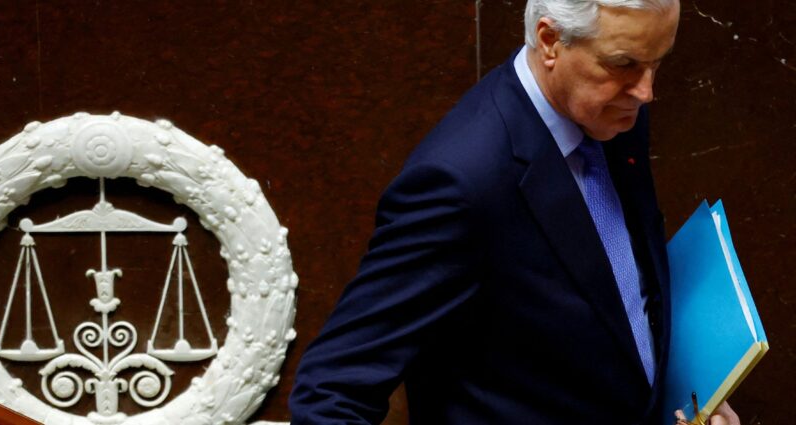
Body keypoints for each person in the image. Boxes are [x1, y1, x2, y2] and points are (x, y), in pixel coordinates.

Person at [290, 1, 740, 424]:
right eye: (624, 63)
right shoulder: (460, 182)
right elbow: (330, 391)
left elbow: (623, 299)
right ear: (550, 41)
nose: (647, 91)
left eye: (657, 62)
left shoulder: (612, 114)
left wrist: (693, 399)